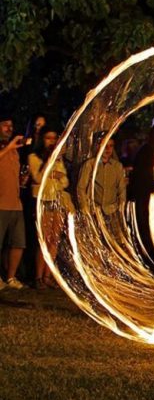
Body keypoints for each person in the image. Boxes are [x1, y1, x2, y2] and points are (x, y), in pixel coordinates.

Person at [28, 127, 71, 289]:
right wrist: (50, 165)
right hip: (44, 201)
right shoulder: (34, 157)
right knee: (44, 241)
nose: (52, 141)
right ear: (42, 139)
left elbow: (65, 182)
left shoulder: (59, 160)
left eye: (54, 138)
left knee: (54, 240)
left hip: (57, 200)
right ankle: (38, 276)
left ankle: (48, 275)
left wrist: (55, 174)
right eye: (48, 138)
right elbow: (39, 177)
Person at [129, 124, 154, 269]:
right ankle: (147, 260)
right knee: (144, 228)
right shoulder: (146, 152)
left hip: (145, 195)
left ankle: (149, 259)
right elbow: (143, 177)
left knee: (147, 228)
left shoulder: (149, 151)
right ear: (153, 137)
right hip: (142, 196)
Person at [0, 114, 28, 290]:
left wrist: (22, 180)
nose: (9, 128)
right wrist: (9, 147)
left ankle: (10, 277)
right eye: (4, 125)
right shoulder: (8, 149)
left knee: (19, 242)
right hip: (0, 204)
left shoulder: (14, 151)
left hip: (15, 204)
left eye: (11, 125)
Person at [76, 135, 126, 234]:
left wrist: (121, 209)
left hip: (111, 212)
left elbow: (122, 189)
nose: (107, 149)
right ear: (98, 147)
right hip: (94, 211)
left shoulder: (117, 166)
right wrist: (85, 209)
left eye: (111, 146)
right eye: (105, 145)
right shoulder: (90, 165)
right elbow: (81, 187)